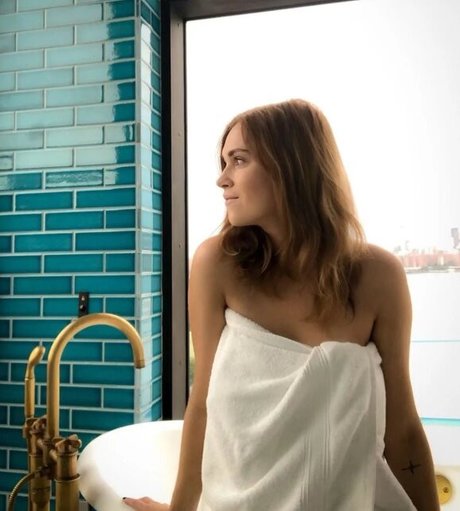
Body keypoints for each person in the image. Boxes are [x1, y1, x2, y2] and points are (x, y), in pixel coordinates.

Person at [124, 99, 439, 510]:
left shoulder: (380, 276)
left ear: (292, 165)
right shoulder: (217, 264)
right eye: (224, 162)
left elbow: (403, 429)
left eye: (239, 160)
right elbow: (202, 404)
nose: (222, 179)